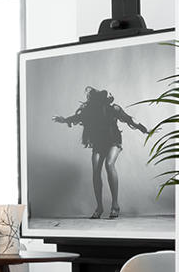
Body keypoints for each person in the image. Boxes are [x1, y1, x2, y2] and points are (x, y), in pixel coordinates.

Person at [52, 86, 148, 219]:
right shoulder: (90, 112)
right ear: (100, 99)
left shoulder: (114, 109)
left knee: (109, 165)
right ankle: (99, 207)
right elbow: (76, 117)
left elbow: (129, 119)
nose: (110, 95)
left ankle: (115, 205)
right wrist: (63, 120)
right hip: (99, 143)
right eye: (107, 94)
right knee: (96, 171)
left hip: (114, 140)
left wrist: (144, 129)